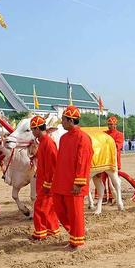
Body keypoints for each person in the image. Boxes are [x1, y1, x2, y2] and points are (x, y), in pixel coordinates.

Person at [52, 105, 93, 251]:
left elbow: (83, 162)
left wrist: (79, 183)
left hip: (75, 184)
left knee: (76, 213)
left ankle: (78, 241)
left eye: (63, 119)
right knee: (59, 209)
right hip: (61, 182)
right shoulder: (63, 138)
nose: (61, 122)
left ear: (70, 120)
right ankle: (76, 233)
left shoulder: (83, 138)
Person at [30, 116, 60, 240]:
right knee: (48, 208)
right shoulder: (42, 142)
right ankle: (52, 230)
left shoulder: (48, 142)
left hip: (47, 183)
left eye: (33, 130)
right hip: (43, 180)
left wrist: (48, 184)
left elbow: (53, 165)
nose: (32, 132)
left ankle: (41, 232)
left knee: (39, 207)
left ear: (37, 129)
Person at [97, 116, 124, 204]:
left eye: (111, 124)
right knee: (102, 179)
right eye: (108, 124)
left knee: (113, 180)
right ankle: (103, 197)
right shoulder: (103, 133)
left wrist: (107, 146)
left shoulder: (119, 134)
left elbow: (117, 146)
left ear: (115, 125)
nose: (110, 126)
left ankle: (113, 197)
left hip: (113, 160)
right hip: (103, 160)